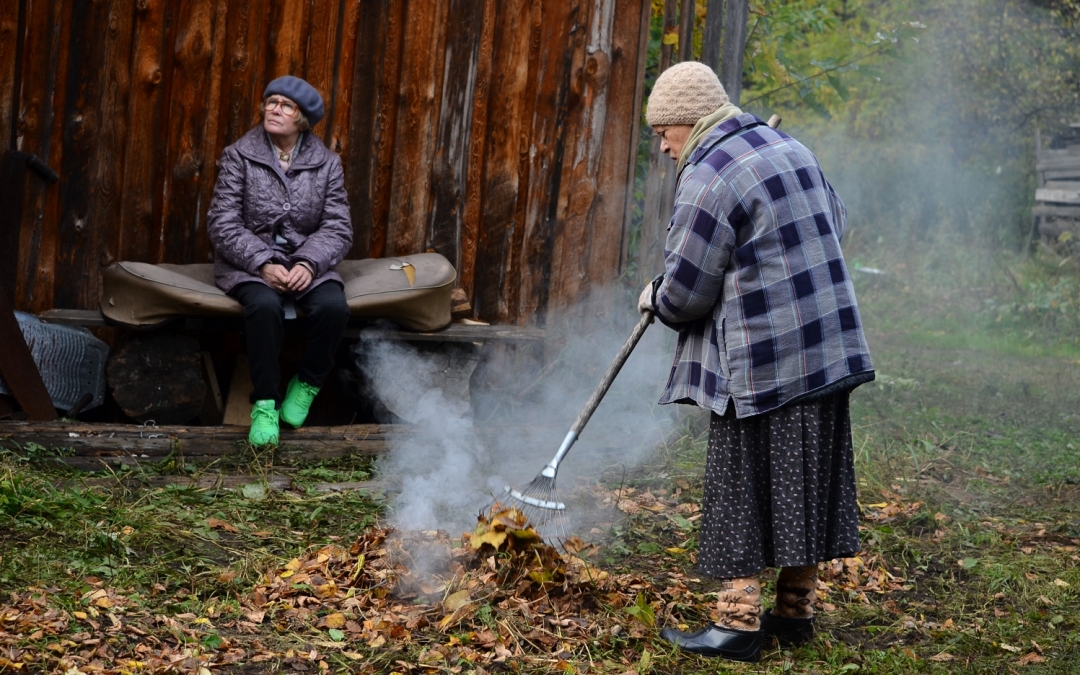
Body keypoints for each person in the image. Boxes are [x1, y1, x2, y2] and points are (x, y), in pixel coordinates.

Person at [638, 62, 874, 662]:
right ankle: (794, 612)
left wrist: (655, 295)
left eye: (663, 131)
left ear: (687, 123)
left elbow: (686, 294)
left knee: (741, 485)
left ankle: (737, 623)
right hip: (827, 346)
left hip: (764, 356)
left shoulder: (709, 174)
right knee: (804, 479)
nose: (662, 146)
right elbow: (835, 224)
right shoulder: (789, 147)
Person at [207, 75, 353, 446]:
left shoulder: (327, 163)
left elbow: (338, 226)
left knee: (334, 308)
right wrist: (262, 263)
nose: (274, 109)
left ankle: (306, 383)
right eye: (271, 101)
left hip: (307, 262)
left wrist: (307, 264)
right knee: (264, 307)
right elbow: (222, 223)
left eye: (286, 105)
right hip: (248, 262)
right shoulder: (239, 155)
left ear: (302, 119)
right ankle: (266, 404)